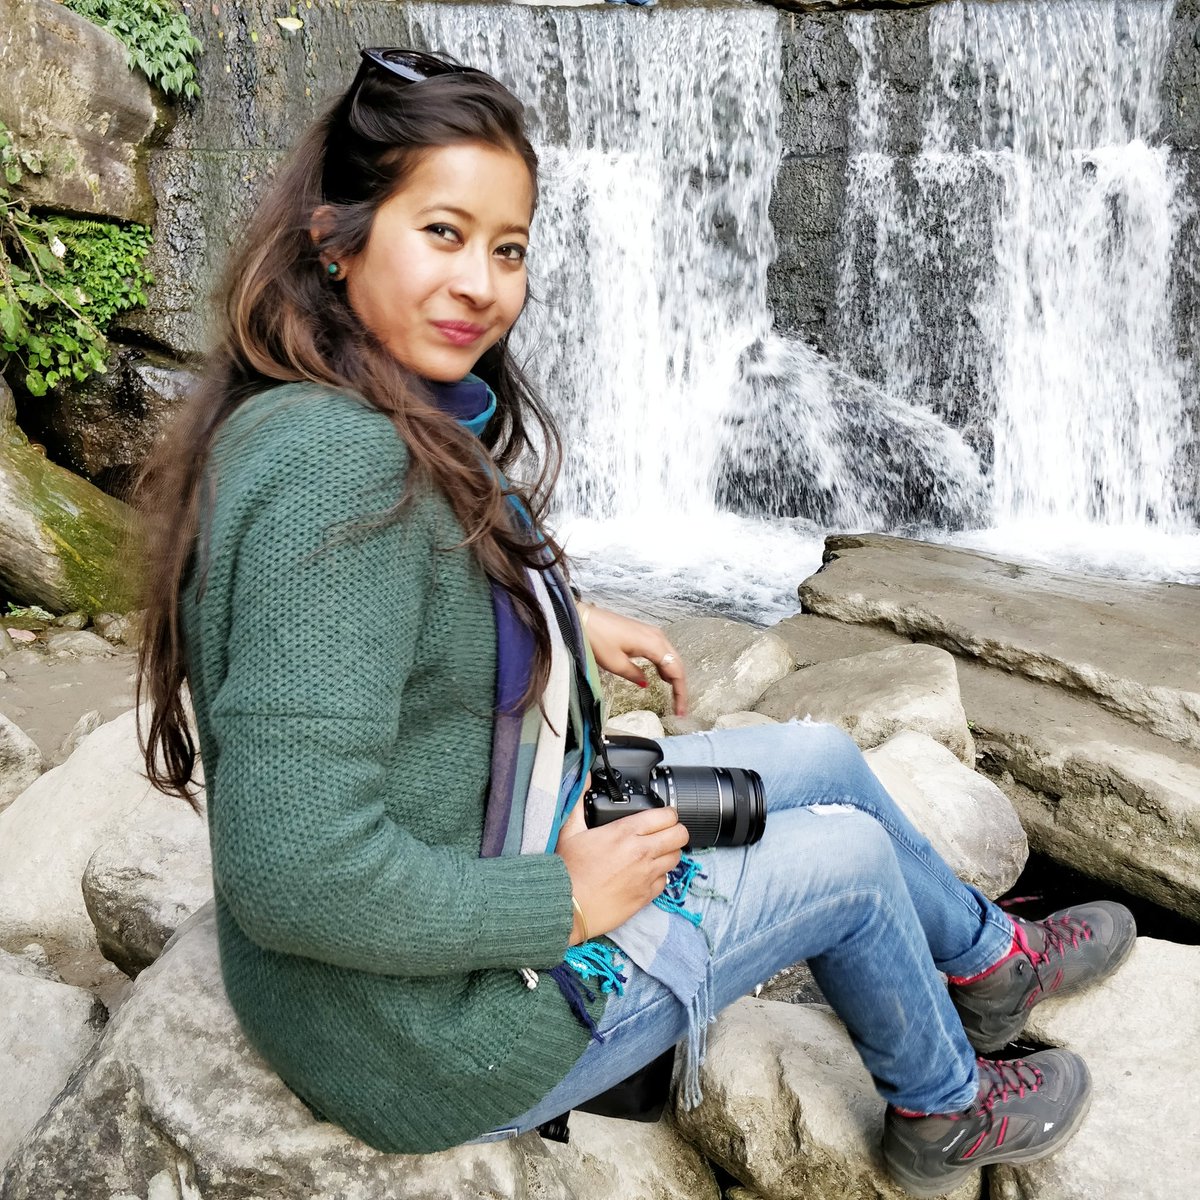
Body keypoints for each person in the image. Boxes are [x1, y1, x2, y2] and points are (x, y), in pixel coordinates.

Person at [136, 48, 1136, 1197]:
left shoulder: (346, 404)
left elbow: (392, 607)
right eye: (444, 233)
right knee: (849, 860)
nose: (482, 284)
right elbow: (295, 875)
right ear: (338, 237)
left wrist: (556, 615)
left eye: (508, 249)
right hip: (427, 1033)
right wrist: (563, 901)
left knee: (815, 754)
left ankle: (985, 962)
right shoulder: (338, 472)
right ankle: (943, 1109)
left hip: (472, 858)